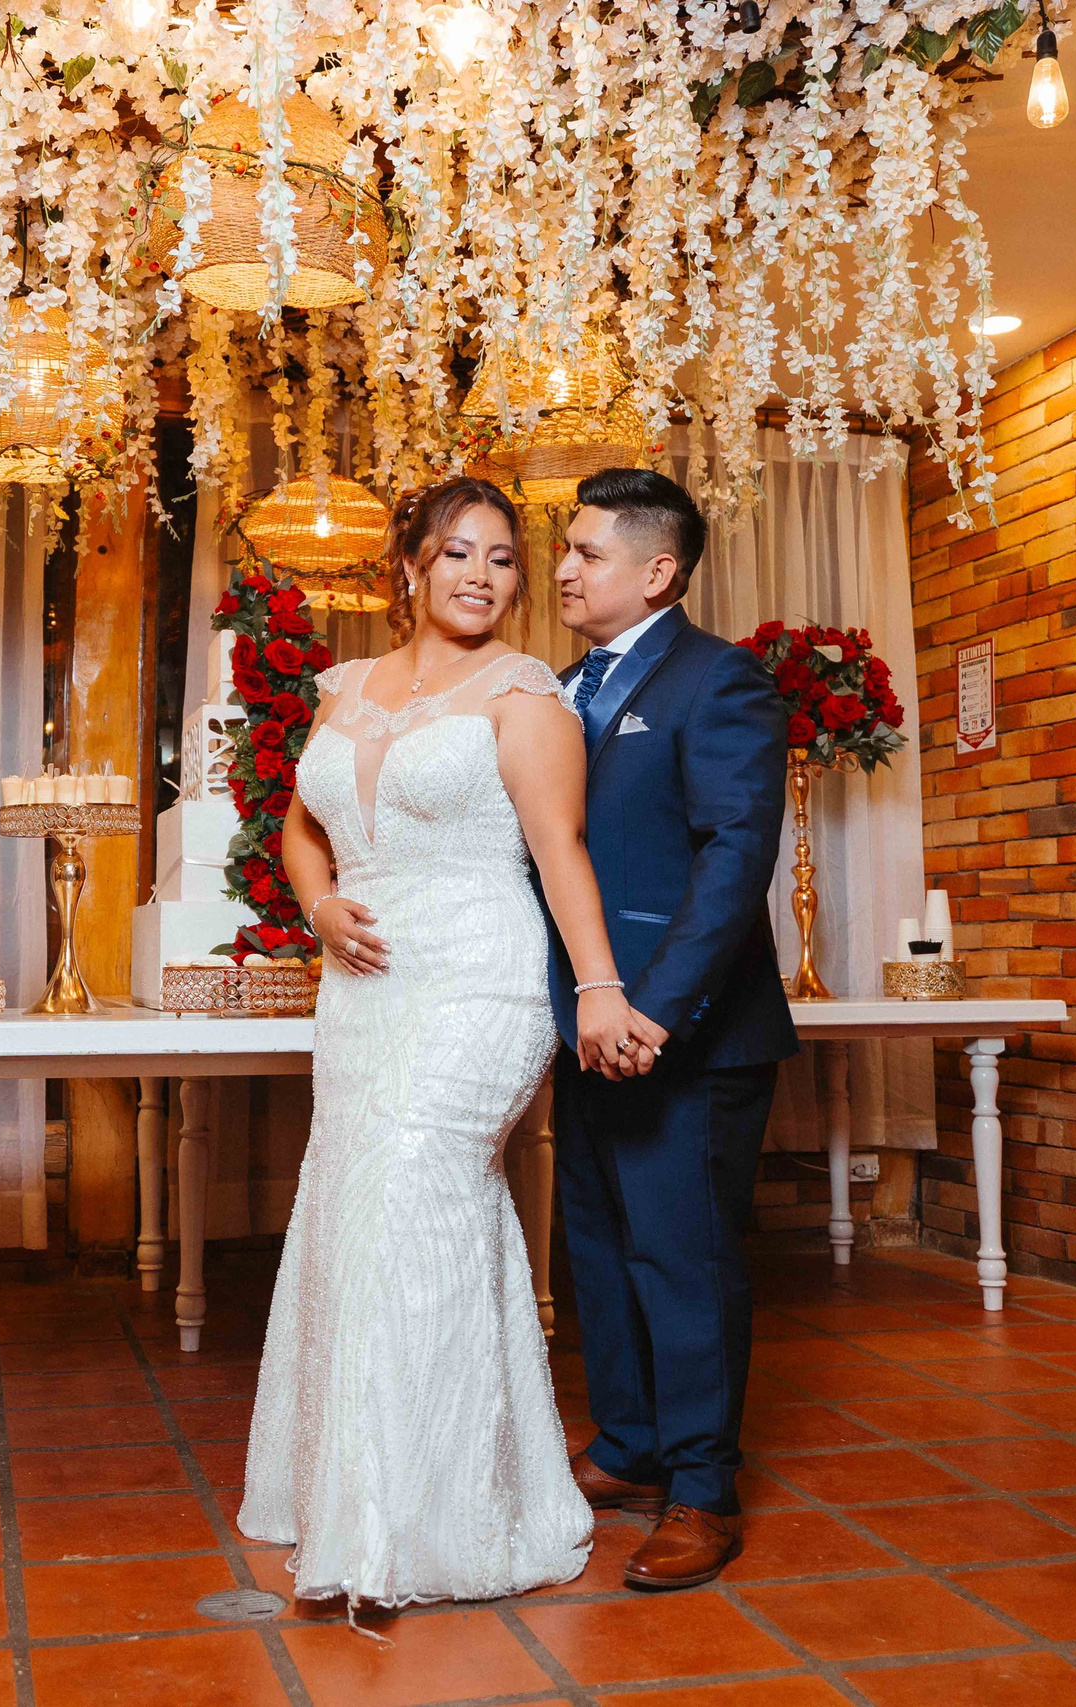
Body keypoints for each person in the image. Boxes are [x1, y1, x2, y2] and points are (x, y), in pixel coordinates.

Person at [239, 475, 649, 1610]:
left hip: (479, 979)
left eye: (504, 558)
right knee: (352, 1208)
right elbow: (297, 827)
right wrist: (318, 906)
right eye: (458, 553)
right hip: (362, 990)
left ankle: (419, 1521)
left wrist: (600, 989)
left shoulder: (525, 695)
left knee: (416, 1195)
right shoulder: (346, 687)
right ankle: (371, 1497)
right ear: (409, 569)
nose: (483, 574)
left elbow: (562, 852)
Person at [545, 466, 794, 1590]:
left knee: (680, 1257)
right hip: (581, 1023)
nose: (560, 567)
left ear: (657, 571)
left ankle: (701, 1487)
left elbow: (734, 860)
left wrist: (652, 1010)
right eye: (564, 548)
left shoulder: (719, 681)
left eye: (586, 552)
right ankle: (631, 1445)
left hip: (686, 1032)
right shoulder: (557, 688)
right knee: (596, 1249)